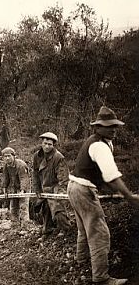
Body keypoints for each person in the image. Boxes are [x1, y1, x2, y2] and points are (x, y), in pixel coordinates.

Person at [67, 106, 139, 285]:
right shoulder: (99, 145)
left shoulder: (102, 141)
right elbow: (112, 175)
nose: (113, 129)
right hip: (82, 190)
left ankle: (82, 261)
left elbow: (99, 174)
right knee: (99, 232)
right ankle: (101, 278)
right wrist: (129, 197)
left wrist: (110, 191)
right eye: (108, 126)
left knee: (84, 228)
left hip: (74, 187)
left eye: (114, 125)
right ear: (97, 127)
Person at [32, 132, 71, 237]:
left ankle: (65, 229)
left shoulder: (58, 157)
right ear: (41, 143)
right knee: (44, 209)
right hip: (44, 186)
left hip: (56, 186)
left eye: (50, 144)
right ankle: (47, 230)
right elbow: (35, 174)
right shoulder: (37, 156)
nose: (47, 146)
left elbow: (63, 178)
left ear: (53, 145)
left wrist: (61, 193)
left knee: (58, 208)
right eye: (45, 143)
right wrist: (37, 189)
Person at [1, 147, 30, 222]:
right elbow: (5, 178)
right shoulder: (6, 166)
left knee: (23, 207)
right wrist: (4, 189)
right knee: (13, 207)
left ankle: (25, 226)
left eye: (9, 156)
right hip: (14, 187)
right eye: (5, 156)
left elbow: (24, 178)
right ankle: (14, 226)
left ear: (13, 156)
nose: (7, 158)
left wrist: (22, 191)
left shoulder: (21, 165)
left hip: (25, 188)